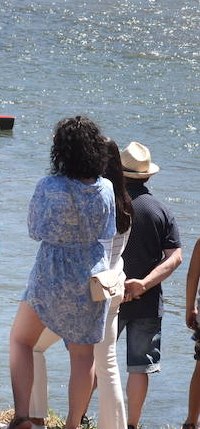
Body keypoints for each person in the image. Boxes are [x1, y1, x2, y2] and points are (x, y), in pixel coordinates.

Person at [6, 117, 115, 429]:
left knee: (21, 340)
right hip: (91, 278)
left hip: (51, 275)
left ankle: (24, 416)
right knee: (83, 358)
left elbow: (35, 231)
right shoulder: (105, 188)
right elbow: (107, 231)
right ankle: (72, 424)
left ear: (61, 151)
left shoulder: (49, 186)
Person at [30, 140, 133, 429]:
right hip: (112, 285)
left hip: (87, 287)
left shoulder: (96, 198)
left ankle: (36, 416)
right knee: (107, 365)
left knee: (34, 346)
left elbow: (86, 248)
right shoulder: (124, 203)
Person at [114, 141, 182, 428]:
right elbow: (176, 257)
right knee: (139, 368)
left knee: (95, 359)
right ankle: (132, 424)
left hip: (111, 295)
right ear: (149, 176)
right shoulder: (160, 210)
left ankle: (78, 417)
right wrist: (143, 283)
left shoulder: (111, 204)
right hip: (148, 300)